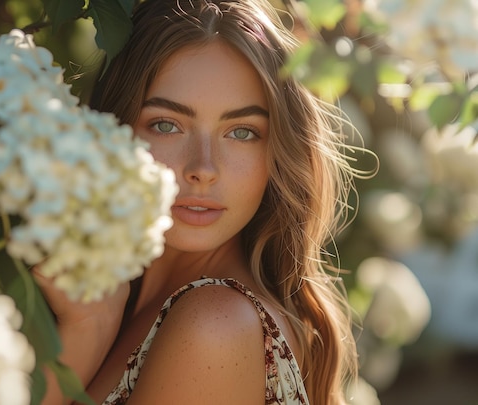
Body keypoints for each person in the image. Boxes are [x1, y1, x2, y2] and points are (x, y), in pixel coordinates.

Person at [38, 0, 372, 403]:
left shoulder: (215, 325)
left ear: (278, 152)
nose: (203, 168)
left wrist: (87, 330)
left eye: (242, 132)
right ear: (111, 129)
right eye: (166, 125)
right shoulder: (118, 296)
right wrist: (92, 321)